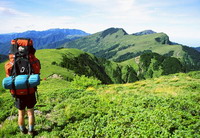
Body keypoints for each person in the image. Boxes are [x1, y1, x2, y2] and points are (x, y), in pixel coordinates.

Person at [4, 38, 40, 136]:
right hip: (30, 90)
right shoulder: (33, 60)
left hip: (17, 92)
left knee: (21, 113)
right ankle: (31, 131)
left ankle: (22, 130)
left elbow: (8, 75)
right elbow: (37, 73)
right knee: (31, 113)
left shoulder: (11, 62)